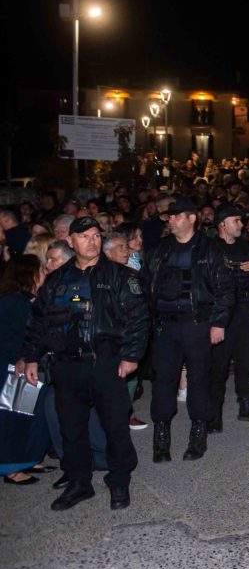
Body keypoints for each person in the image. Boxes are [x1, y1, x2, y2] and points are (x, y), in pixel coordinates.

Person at [22, 217, 150, 510]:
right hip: (67, 365)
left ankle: (119, 480)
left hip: (105, 362)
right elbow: (38, 321)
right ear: (71, 241)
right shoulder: (57, 279)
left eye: (95, 236)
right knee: (71, 428)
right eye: (84, 236)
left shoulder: (119, 275)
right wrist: (31, 356)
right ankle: (79, 482)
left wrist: (131, 356)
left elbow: (139, 318)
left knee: (115, 426)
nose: (91, 241)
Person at [141, 199, 234, 463]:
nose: (170, 220)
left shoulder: (210, 249)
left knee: (199, 380)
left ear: (192, 218)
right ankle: (161, 436)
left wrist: (218, 323)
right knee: (163, 381)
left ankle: (198, 433)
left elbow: (226, 289)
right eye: (169, 217)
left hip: (197, 325)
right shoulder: (160, 250)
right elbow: (147, 285)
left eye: (176, 216)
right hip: (165, 326)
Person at [209, 205, 249, 432]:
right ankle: (214, 415)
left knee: (245, 362)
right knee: (218, 366)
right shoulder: (210, 248)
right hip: (222, 314)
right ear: (223, 224)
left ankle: (246, 406)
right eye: (236, 221)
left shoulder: (247, 247)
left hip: (245, 312)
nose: (241, 225)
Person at [0, 256, 48, 486]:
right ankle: (12, 469)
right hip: (15, 370)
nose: (45, 272)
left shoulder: (18, 300)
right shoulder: (18, 303)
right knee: (17, 418)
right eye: (41, 269)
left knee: (27, 416)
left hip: (16, 367)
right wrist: (22, 358)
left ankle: (27, 460)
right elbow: (19, 337)